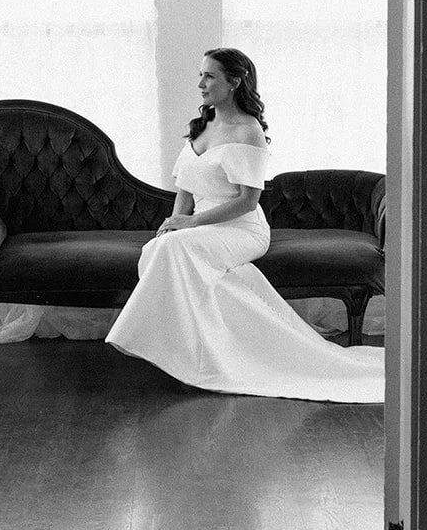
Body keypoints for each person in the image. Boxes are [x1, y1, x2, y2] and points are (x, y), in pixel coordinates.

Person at [105, 48, 385, 403]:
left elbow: (246, 201)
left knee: (174, 249)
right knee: (160, 247)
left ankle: (157, 345)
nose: (201, 83)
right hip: (201, 227)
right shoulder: (203, 126)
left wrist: (188, 224)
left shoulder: (247, 131)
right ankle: (190, 353)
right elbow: (185, 190)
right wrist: (174, 224)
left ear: (235, 82)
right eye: (201, 74)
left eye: (210, 76)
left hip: (241, 229)